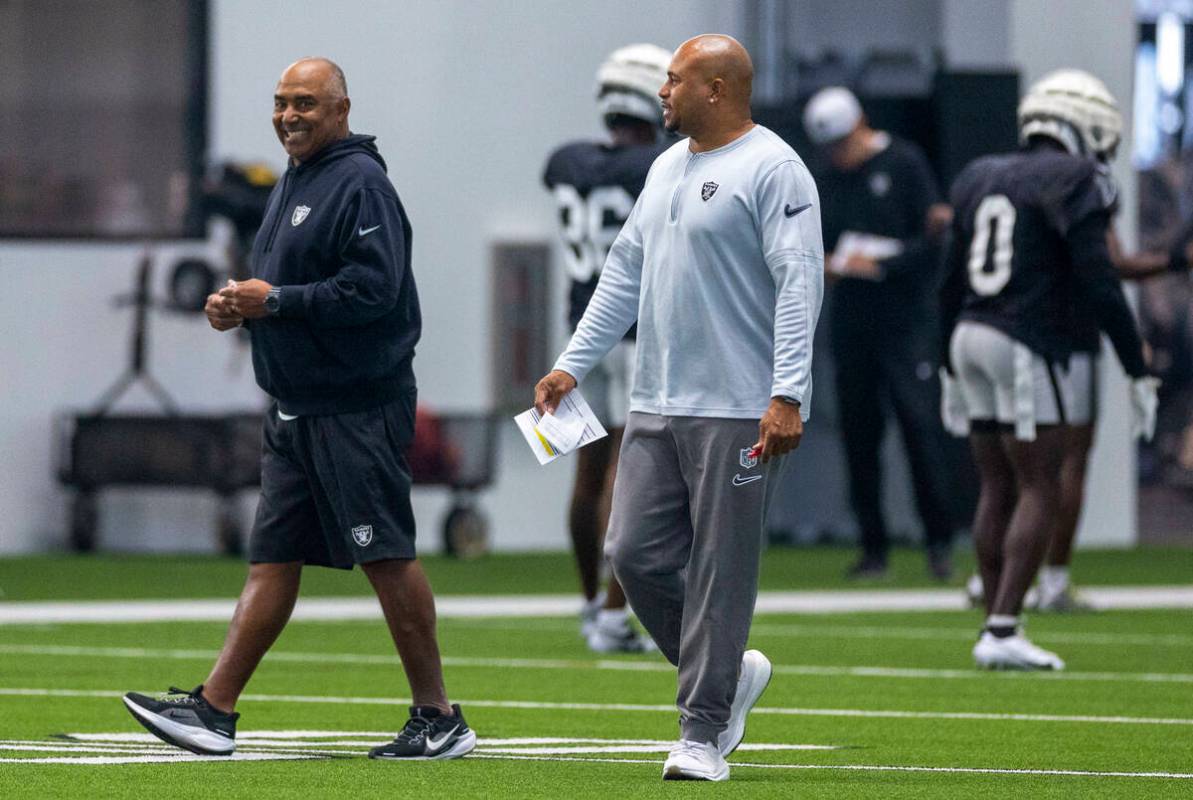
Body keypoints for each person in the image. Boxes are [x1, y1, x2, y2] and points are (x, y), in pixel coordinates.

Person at [121, 57, 475, 761]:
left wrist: (274, 302)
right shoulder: (296, 180)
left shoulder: (361, 184)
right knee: (272, 558)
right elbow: (286, 289)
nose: (289, 115)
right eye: (281, 103)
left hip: (355, 407)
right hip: (293, 408)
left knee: (386, 555)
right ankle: (214, 710)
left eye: (306, 103)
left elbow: (374, 293)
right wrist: (240, 307)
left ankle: (438, 717)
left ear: (341, 109)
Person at [535, 35, 823, 781]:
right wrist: (572, 364)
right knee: (630, 555)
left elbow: (799, 285)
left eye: (673, 80)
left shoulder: (773, 168)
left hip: (737, 408)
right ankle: (726, 683)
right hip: (654, 402)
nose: (661, 92)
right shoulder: (666, 166)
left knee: (721, 571)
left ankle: (701, 731)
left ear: (718, 89)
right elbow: (623, 271)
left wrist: (786, 393)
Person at [940, 66, 1155, 670]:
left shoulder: (980, 173)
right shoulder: (1075, 176)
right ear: (1085, 126)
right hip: (1025, 339)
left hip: (969, 332)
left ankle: (995, 619)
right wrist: (1136, 366)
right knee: (1040, 482)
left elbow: (947, 280)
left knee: (996, 484)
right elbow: (1100, 280)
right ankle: (1004, 629)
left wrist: (947, 362)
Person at [542, 43, 671, 653]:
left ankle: (590, 604)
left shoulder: (567, 160)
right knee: (627, 469)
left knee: (585, 473)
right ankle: (616, 617)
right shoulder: (661, 164)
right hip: (635, 333)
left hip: (578, 335)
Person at [803, 86, 959, 581]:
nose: (838, 156)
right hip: (853, 326)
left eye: (844, 144)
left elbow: (933, 243)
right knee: (860, 437)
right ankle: (874, 547)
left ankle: (939, 543)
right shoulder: (827, 179)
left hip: (906, 323)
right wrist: (826, 264)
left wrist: (884, 264)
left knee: (920, 429)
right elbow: (817, 243)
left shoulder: (906, 164)